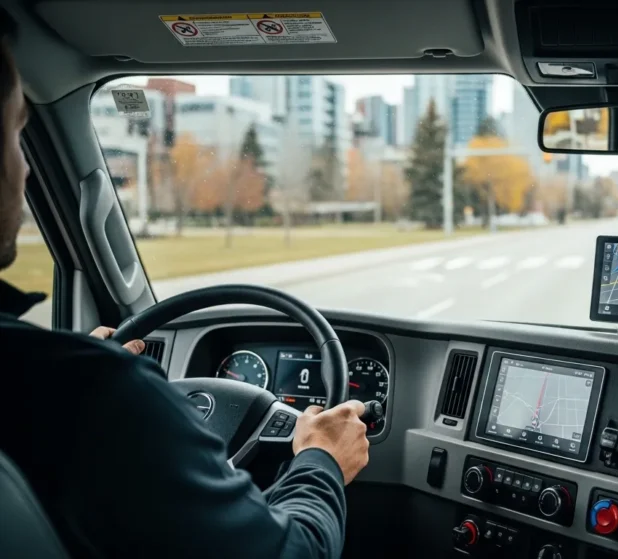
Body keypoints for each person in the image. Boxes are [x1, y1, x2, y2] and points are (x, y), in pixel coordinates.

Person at [0, 12, 369, 558]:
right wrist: (320, 460)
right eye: (15, 130)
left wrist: (82, 361)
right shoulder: (93, 394)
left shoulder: (50, 378)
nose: (27, 167)